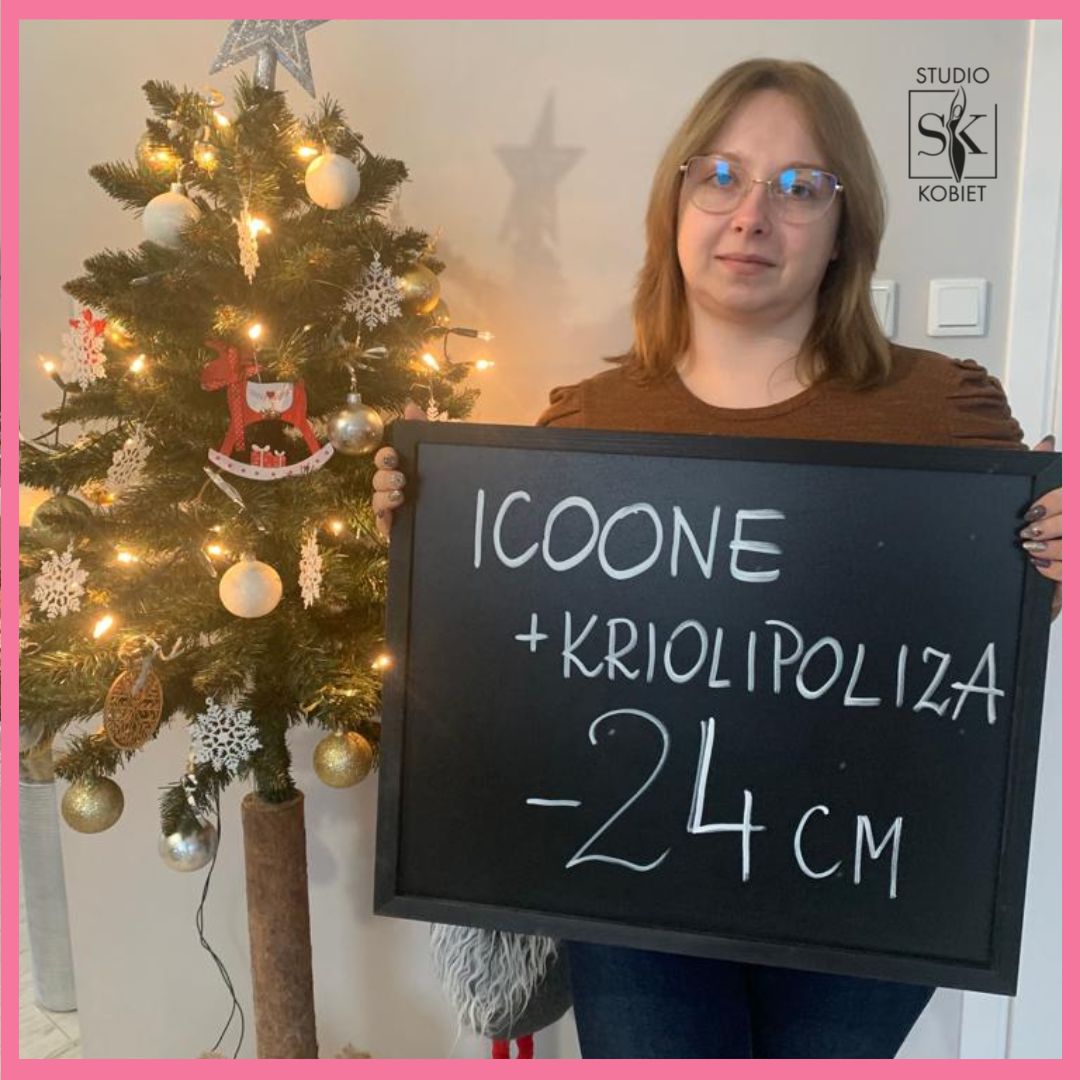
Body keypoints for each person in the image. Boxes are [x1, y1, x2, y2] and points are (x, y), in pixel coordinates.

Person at [371, 58, 1062, 1058]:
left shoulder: (944, 410)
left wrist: (1054, 550)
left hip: (864, 889)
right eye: (722, 177)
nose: (752, 216)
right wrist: (429, 536)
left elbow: (989, 647)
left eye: (800, 187)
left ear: (843, 229)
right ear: (676, 205)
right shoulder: (585, 425)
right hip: (634, 886)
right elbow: (523, 659)